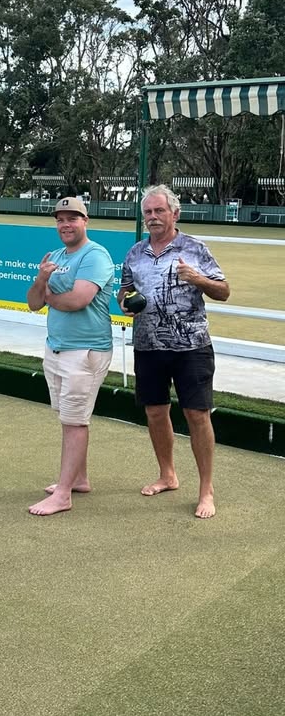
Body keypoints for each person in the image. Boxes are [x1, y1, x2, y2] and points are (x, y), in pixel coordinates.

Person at [118, 184, 230, 519]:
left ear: (174, 213)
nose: (153, 217)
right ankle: (168, 475)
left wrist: (198, 278)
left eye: (159, 211)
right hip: (148, 345)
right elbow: (123, 292)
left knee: (197, 415)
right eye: (148, 212)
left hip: (191, 347)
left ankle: (206, 490)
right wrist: (124, 304)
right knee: (155, 412)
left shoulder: (195, 248)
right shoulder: (135, 253)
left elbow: (223, 291)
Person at [26, 197, 115, 516]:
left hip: (86, 350)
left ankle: (63, 494)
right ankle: (79, 478)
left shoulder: (96, 256)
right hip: (57, 347)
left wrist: (47, 293)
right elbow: (33, 302)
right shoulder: (54, 256)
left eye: (72, 218)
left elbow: (78, 299)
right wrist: (41, 281)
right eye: (61, 219)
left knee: (75, 421)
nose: (65, 224)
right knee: (68, 418)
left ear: (85, 221)